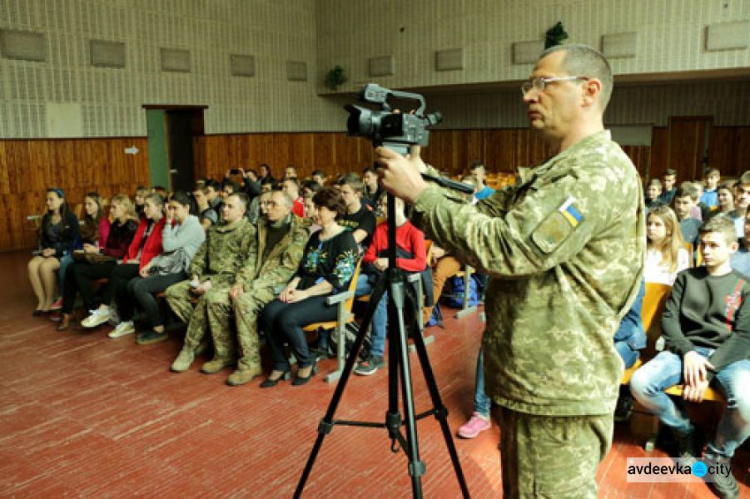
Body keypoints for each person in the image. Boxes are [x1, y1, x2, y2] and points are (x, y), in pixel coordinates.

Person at [376, 44, 644, 497]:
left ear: (589, 91)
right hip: (535, 383)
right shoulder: (558, 170)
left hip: (557, 391)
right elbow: (487, 216)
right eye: (527, 85)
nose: (528, 95)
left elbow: (508, 247)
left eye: (543, 84)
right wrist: (424, 176)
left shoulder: (592, 174)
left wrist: (420, 196)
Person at [630, 216, 750, 498]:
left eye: (714, 245)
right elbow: (671, 321)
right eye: (703, 245)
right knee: (640, 382)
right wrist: (689, 353)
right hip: (685, 350)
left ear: (732, 248)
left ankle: (718, 456)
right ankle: (685, 429)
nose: (705, 251)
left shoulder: (744, 286)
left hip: (728, 356)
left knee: (748, 403)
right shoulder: (686, 278)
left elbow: (744, 337)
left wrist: (704, 371)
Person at [184, 190, 308, 386]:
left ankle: (250, 363)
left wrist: (249, 286)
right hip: (253, 281)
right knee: (214, 299)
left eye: (272, 204)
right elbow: (251, 258)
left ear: (287, 208)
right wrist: (241, 281)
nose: (266, 208)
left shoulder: (298, 232)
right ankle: (225, 353)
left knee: (242, 300)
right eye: (265, 204)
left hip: (278, 285)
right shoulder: (261, 226)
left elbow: (287, 270)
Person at [259, 187, 358, 388]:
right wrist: (291, 287)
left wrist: (304, 294)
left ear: (333, 211)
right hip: (304, 291)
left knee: (287, 318)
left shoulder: (346, 240)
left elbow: (337, 280)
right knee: (268, 312)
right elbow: (303, 270)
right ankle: (280, 363)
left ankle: (306, 362)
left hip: (331, 299)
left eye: (319, 208)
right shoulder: (315, 238)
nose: (313, 213)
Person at [165, 193, 254, 374]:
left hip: (229, 282)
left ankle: (189, 347)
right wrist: (196, 276)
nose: (224, 209)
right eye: (224, 205)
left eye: (230, 206)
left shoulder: (249, 232)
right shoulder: (215, 230)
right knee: (172, 293)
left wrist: (210, 284)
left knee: (208, 298)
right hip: (207, 279)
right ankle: (206, 336)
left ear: (242, 211)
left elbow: (243, 268)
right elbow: (200, 256)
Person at [111, 192, 206, 344]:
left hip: (184, 271)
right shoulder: (180, 225)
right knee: (132, 284)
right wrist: (150, 264)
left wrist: (167, 223)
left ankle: (159, 328)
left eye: (175, 208)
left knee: (139, 287)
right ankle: (156, 322)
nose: (171, 212)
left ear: (187, 208)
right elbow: (166, 253)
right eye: (170, 208)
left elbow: (168, 246)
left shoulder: (193, 226)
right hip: (172, 267)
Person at [353, 195, 427, 376]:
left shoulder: (414, 231)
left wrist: (392, 262)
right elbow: (369, 255)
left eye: (386, 205)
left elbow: (420, 264)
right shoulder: (381, 228)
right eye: (382, 205)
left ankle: (376, 353)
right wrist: (378, 261)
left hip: (402, 280)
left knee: (378, 296)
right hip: (378, 274)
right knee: (346, 289)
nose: (382, 209)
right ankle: (331, 341)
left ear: (400, 205)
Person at [79, 193, 166, 329]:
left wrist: (139, 262)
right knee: (120, 281)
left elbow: (161, 252)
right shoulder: (146, 223)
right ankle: (127, 322)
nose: (144, 210)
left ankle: (103, 309)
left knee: (117, 270)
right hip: (137, 262)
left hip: (152, 265)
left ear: (159, 207)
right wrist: (129, 260)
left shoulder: (164, 224)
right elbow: (133, 248)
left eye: (148, 206)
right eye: (144, 206)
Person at [56, 195, 139, 331]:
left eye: (114, 207)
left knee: (78, 270)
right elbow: (110, 247)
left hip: (118, 263)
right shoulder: (116, 224)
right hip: (107, 259)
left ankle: (93, 309)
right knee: (72, 267)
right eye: (111, 207)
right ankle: (70, 311)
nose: (111, 210)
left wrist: (99, 251)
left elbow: (122, 252)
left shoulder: (131, 225)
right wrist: (98, 251)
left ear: (125, 207)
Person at [51, 192, 110, 311]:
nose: (86, 207)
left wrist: (90, 250)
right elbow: (80, 239)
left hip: (98, 255)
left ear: (98, 205)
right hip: (87, 252)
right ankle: (68, 299)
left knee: (66, 262)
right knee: (67, 261)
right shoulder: (88, 221)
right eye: (85, 204)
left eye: (90, 204)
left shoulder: (103, 222)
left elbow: (105, 245)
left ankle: (65, 297)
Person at [28, 188, 80, 315]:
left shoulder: (70, 217)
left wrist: (55, 250)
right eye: (46, 199)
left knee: (45, 267)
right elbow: (45, 238)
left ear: (61, 200)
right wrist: (46, 249)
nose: (48, 202)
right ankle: (42, 300)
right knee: (32, 265)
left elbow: (74, 240)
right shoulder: (46, 217)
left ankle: (50, 299)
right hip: (49, 250)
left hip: (63, 252)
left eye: (51, 199)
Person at [644, 206, 690, 285]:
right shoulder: (640, 250)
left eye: (657, 224)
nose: (651, 228)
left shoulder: (679, 254)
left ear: (669, 229)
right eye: (649, 223)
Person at [337, 173, 377, 250]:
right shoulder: (339, 213)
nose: (341, 196)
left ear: (357, 194)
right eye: (340, 192)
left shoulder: (368, 216)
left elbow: (352, 241)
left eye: (345, 193)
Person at [673, 183, 702, 250]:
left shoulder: (698, 225)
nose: (680, 207)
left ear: (694, 202)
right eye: (678, 202)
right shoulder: (667, 221)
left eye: (685, 203)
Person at [733, 172, 750, 238]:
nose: (743, 196)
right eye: (741, 191)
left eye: (749, 193)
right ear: (736, 191)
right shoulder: (724, 219)